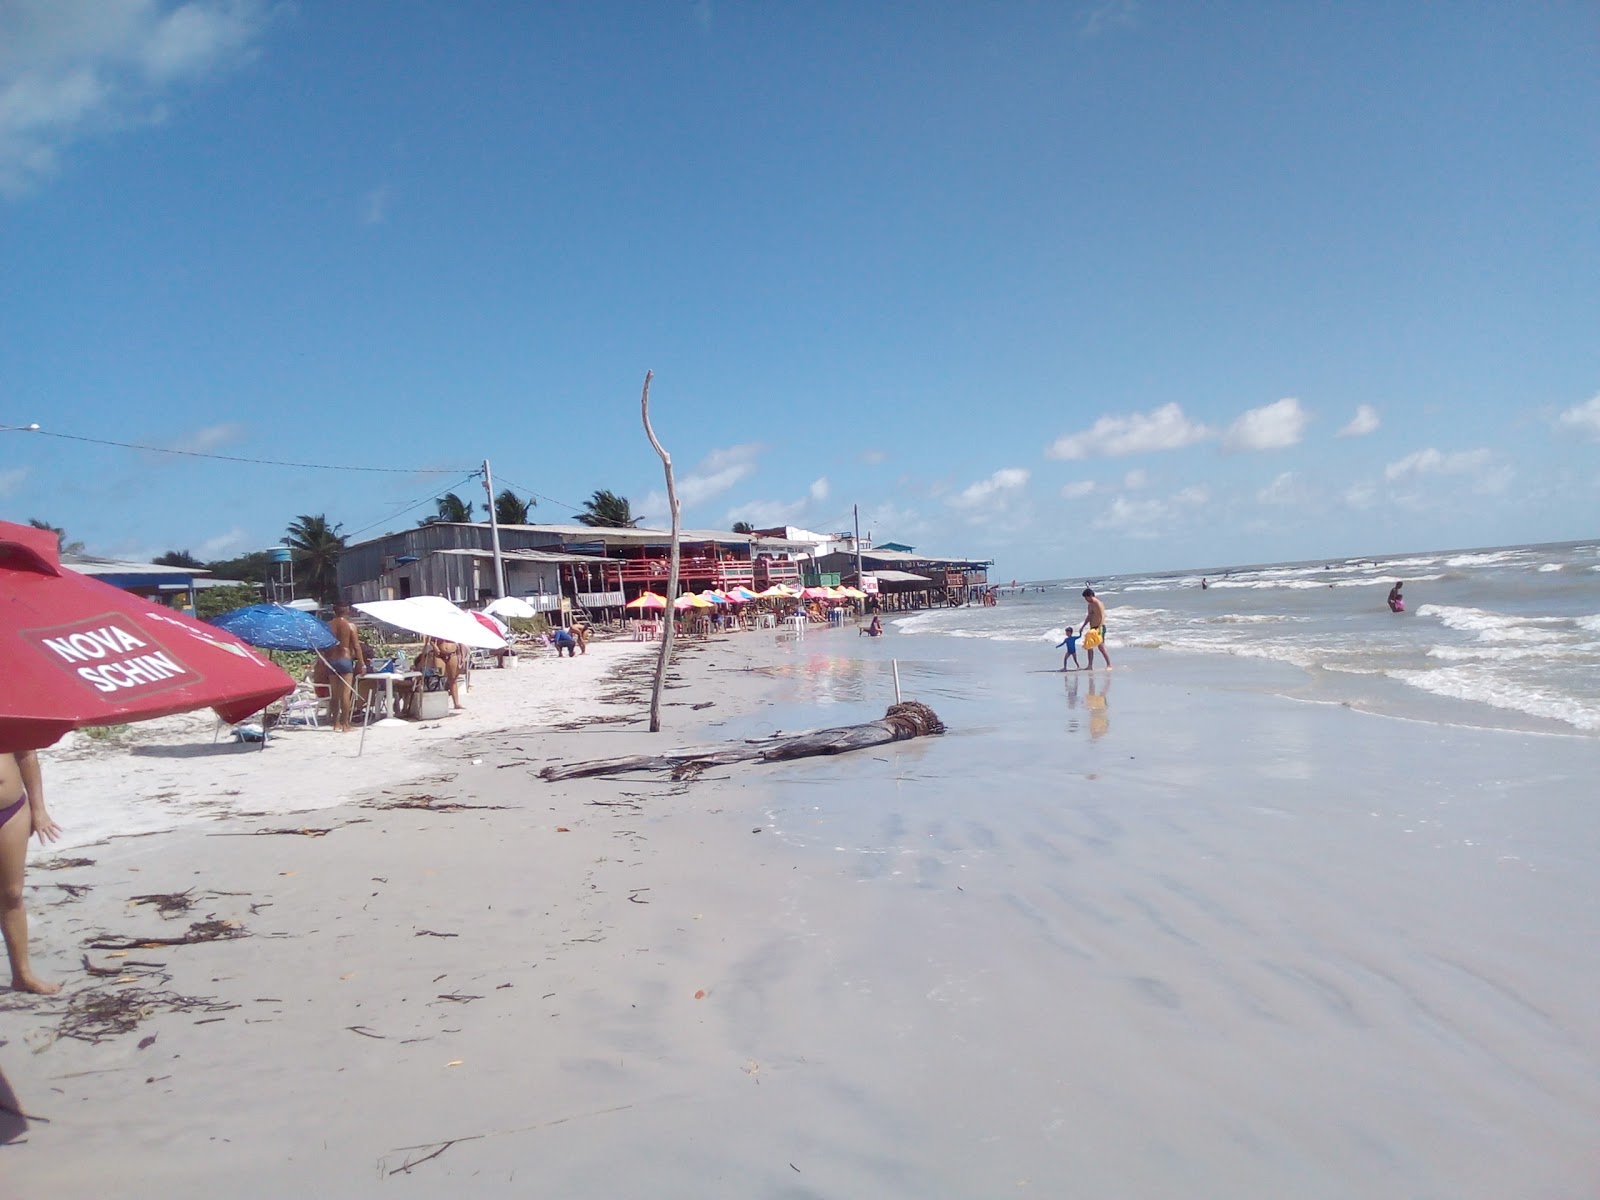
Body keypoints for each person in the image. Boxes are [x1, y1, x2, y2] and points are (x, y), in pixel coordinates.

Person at [1, 750, 62, 994]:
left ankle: (22, 975)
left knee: (12, 893)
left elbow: (26, 755)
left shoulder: (8, 712)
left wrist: (39, 809)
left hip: (11, 809)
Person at [324, 603, 368, 732]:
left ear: (334, 612)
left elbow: (324, 645)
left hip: (331, 659)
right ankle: (345, 724)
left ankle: (336, 723)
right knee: (345, 693)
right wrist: (361, 663)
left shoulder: (328, 626)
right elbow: (356, 646)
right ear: (347, 611)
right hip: (345, 658)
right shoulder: (350, 626)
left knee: (335, 694)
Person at [1079, 588, 1111, 670]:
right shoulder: (1090, 605)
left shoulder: (1098, 603)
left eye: (1086, 598)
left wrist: (1099, 627)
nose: (1086, 600)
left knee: (1101, 647)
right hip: (1092, 628)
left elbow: (1102, 616)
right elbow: (1089, 617)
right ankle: (1090, 665)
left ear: (1090, 596)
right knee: (1089, 646)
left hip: (1100, 627)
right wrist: (1083, 626)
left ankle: (1109, 665)